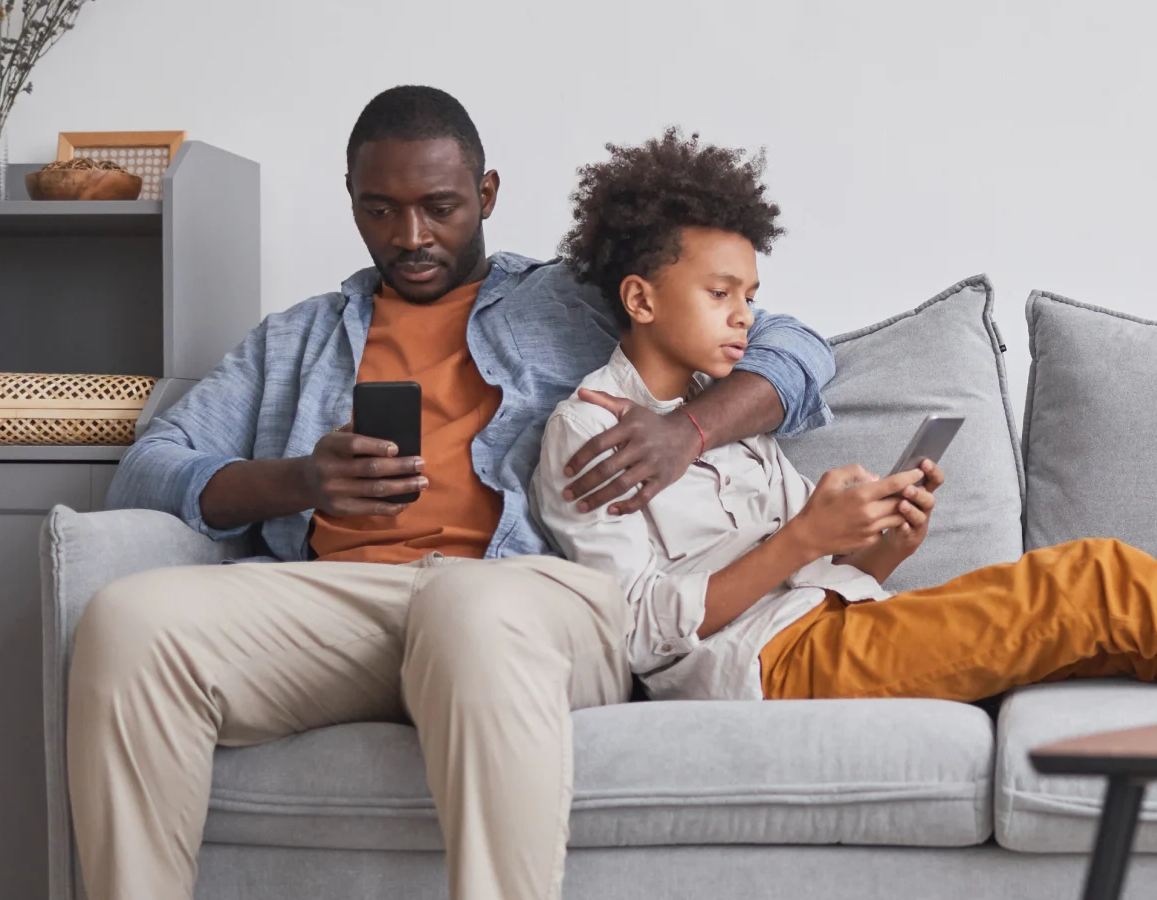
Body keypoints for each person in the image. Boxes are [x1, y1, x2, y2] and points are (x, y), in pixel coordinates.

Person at [66, 88, 837, 900]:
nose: (411, 237)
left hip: (529, 600)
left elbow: (799, 347)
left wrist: (691, 430)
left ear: (488, 194)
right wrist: (299, 480)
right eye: (381, 212)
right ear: (353, 204)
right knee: (129, 623)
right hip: (346, 601)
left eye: (440, 208)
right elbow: (150, 464)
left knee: (465, 604)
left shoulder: (574, 296)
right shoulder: (294, 339)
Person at [531, 128, 1157, 709]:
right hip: (772, 669)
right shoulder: (589, 431)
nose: (745, 317)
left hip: (837, 618)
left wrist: (885, 538)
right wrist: (800, 540)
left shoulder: (729, 416)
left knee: (1129, 626)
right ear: (640, 297)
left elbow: (834, 564)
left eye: (751, 296)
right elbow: (640, 635)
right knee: (1092, 582)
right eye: (720, 294)